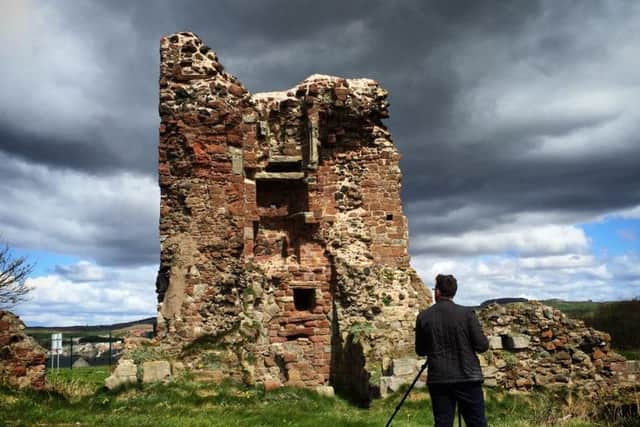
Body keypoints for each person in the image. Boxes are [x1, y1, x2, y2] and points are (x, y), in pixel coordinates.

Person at [415, 274, 489, 427]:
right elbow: (482, 346)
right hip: (468, 376)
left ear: (438, 292)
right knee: (477, 423)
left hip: (439, 378)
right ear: (454, 292)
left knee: (443, 423)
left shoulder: (424, 317)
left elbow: (420, 350)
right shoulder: (467, 314)